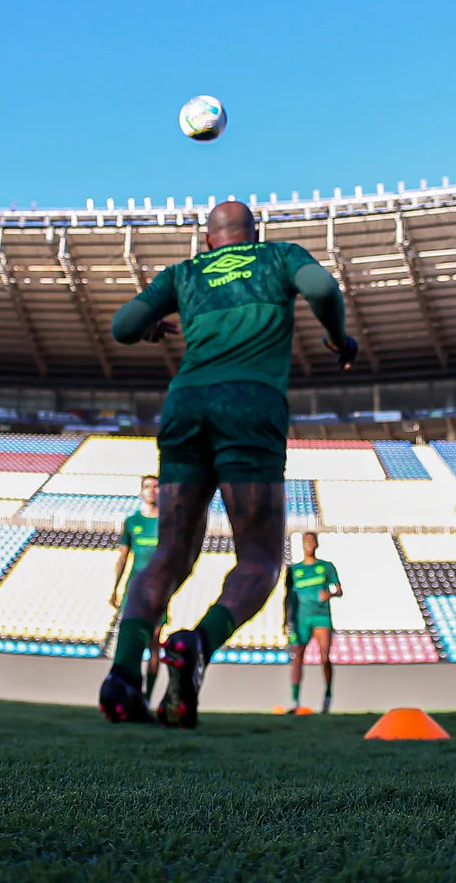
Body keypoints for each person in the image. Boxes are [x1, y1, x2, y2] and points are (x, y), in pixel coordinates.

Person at [98, 200, 355, 727]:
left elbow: (123, 324)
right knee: (259, 560)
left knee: (168, 553)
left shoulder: (184, 273)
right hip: (250, 408)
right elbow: (325, 290)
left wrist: (149, 330)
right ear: (254, 234)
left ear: (208, 239)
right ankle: (197, 644)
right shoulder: (279, 256)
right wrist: (337, 337)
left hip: (186, 406)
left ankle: (122, 676)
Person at [108, 476, 164, 698]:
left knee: (154, 643)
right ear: (141, 492)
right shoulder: (132, 521)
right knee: (131, 643)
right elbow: (123, 557)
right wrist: (115, 587)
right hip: (134, 589)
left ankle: (148, 696)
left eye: (156, 486)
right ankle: (129, 692)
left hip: (159, 589)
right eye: (147, 487)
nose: (152, 491)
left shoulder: (167, 522)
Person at [285, 531, 343, 715]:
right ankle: (295, 701)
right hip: (301, 618)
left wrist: (330, 593)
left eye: (312, 540)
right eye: (306, 541)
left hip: (321, 617)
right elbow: (287, 597)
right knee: (297, 657)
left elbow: (339, 589)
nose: (309, 544)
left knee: (324, 657)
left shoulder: (326, 567)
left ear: (316, 544)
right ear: (302, 545)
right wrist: (286, 619)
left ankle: (327, 695)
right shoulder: (294, 570)